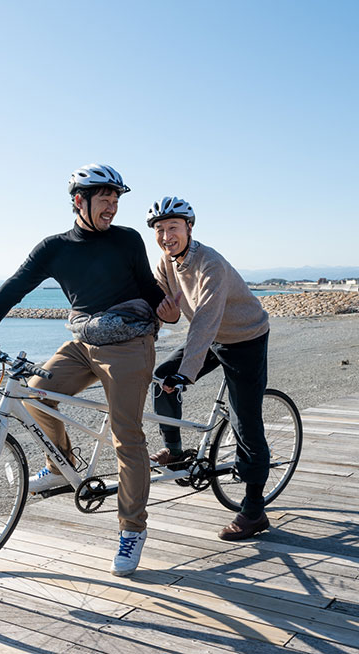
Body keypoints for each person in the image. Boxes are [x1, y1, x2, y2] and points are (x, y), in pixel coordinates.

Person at [0, 164, 165, 576]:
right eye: (104, 199)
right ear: (79, 201)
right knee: (34, 394)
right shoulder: (54, 248)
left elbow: (147, 285)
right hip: (83, 341)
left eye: (116, 199)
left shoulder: (127, 239)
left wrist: (167, 307)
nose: (113, 206)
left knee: (127, 436)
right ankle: (59, 465)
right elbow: (14, 287)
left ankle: (132, 529)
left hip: (128, 345)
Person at [147, 196, 273, 541]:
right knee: (160, 377)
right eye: (159, 229)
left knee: (244, 420)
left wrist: (186, 373)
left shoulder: (210, 263)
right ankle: (174, 451)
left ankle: (253, 509)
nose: (166, 235)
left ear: (189, 227)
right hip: (210, 336)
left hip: (245, 337)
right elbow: (159, 303)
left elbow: (205, 317)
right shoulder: (166, 261)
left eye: (172, 227)